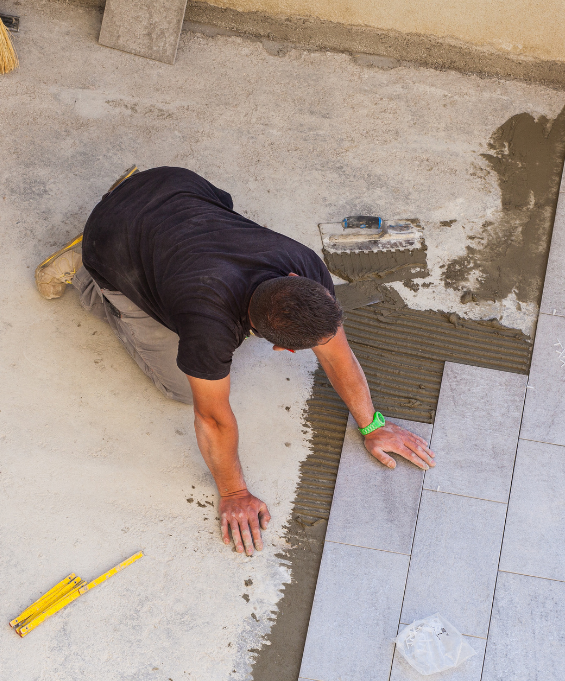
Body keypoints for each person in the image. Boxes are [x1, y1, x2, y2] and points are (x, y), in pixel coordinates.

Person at [36, 166, 435, 556]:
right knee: (178, 387)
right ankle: (83, 271)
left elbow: (337, 355)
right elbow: (212, 418)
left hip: (170, 184)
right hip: (112, 239)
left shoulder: (308, 269)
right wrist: (234, 493)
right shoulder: (208, 326)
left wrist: (373, 425)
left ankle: (130, 203)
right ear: (280, 347)